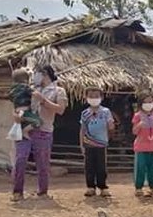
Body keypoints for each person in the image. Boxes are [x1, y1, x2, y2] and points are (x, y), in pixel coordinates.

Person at [11, 65, 67, 201]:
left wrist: (43, 100)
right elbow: (18, 106)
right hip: (24, 127)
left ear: (45, 74)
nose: (34, 76)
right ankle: (17, 191)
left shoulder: (58, 91)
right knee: (20, 159)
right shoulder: (30, 89)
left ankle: (42, 191)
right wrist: (15, 116)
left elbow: (60, 110)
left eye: (37, 73)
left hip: (44, 131)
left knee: (42, 163)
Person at [80, 89, 115, 197]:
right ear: (86, 98)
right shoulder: (85, 113)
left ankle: (103, 187)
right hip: (88, 143)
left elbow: (111, 124)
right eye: (91, 96)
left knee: (101, 166)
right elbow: (82, 129)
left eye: (96, 96)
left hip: (101, 143)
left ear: (101, 97)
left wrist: (111, 126)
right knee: (89, 166)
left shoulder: (106, 111)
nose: (94, 98)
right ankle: (90, 187)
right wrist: (81, 144)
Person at [132, 92, 153, 197]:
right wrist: (139, 125)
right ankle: (138, 187)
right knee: (140, 168)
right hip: (141, 148)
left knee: (152, 169)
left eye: (150, 102)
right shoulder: (137, 116)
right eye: (145, 102)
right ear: (141, 104)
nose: (148, 104)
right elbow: (134, 132)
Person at [9, 68, 41, 139]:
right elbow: (33, 93)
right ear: (25, 80)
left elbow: (10, 98)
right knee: (38, 122)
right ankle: (25, 131)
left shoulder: (12, 89)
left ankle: (23, 130)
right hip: (25, 111)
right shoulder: (25, 87)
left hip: (17, 111)